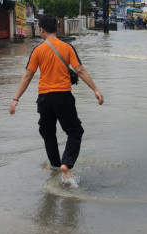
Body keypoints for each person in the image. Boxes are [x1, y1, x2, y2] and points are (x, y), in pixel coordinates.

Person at [9, 14, 104, 180]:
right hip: (63, 97)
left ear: (42, 30)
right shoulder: (67, 48)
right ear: (57, 29)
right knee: (75, 131)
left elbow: (27, 76)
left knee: (48, 132)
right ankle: (66, 164)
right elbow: (80, 70)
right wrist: (95, 89)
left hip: (44, 99)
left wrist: (15, 99)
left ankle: (54, 165)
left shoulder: (37, 50)